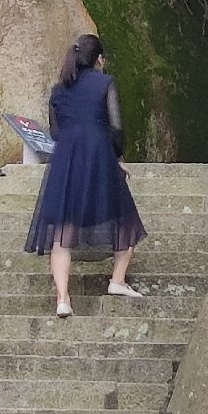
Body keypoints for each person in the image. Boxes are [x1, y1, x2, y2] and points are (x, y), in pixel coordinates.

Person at [24, 34, 146, 318]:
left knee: (62, 233)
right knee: (125, 219)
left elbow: (55, 133)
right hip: (98, 154)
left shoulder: (58, 90)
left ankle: (63, 299)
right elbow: (116, 128)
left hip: (65, 160)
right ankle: (116, 281)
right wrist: (115, 157)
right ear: (99, 59)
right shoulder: (105, 83)